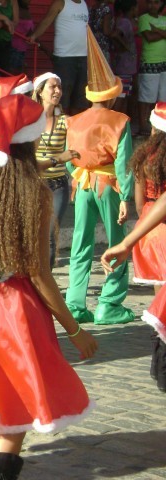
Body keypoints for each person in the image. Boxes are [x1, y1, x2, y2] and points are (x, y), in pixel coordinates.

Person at [0, 94, 97, 480]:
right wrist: (74, 329)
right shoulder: (32, 193)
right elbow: (39, 273)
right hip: (15, 311)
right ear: (30, 139)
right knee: (17, 413)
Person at [65, 27, 135, 325]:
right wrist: (126, 197)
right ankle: (109, 304)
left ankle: (74, 304)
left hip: (82, 184)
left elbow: (69, 159)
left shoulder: (74, 121)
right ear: (112, 95)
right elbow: (124, 163)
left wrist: (78, 176)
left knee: (80, 245)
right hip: (108, 186)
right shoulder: (120, 121)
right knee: (117, 243)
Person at [101, 102, 166, 393]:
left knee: (160, 301)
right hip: (161, 230)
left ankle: (159, 363)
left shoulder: (143, 159)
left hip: (149, 232)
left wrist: (139, 233)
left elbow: (140, 205)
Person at [32, 72, 80, 268]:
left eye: (59, 87)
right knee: (32, 234)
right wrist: (58, 158)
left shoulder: (66, 121)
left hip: (58, 184)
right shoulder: (29, 120)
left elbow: (75, 150)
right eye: (52, 86)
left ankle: (46, 277)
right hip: (33, 184)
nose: (58, 91)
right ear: (40, 91)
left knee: (50, 235)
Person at [129, 102, 166, 289]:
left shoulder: (143, 158)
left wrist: (145, 219)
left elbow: (138, 203)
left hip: (149, 223)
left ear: (154, 129)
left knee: (159, 286)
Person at [29, 0, 89, 115]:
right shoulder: (61, 2)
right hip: (65, 58)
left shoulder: (84, 4)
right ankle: (60, 124)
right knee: (62, 97)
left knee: (80, 99)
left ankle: (76, 125)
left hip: (83, 57)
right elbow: (46, 21)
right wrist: (34, 36)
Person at [137, 0, 166, 136]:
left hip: (164, 63)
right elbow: (149, 37)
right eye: (150, 3)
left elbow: (154, 35)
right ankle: (143, 126)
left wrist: (157, 30)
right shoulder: (144, 18)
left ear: (161, 4)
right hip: (149, 62)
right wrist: (163, 33)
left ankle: (160, 126)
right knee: (146, 97)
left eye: (156, 3)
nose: (152, 6)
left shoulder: (164, 19)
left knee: (162, 98)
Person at [111, 0, 138, 116]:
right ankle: (115, 120)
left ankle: (122, 120)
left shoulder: (123, 21)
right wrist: (126, 46)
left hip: (127, 66)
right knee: (121, 96)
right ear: (132, 9)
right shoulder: (125, 22)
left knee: (125, 94)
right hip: (125, 66)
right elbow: (115, 34)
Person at [10, 0, 33, 74]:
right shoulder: (14, 11)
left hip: (22, 49)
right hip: (13, 48)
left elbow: (30, 33)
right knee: (12, 72)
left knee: (20, 74)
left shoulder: (26, 12)